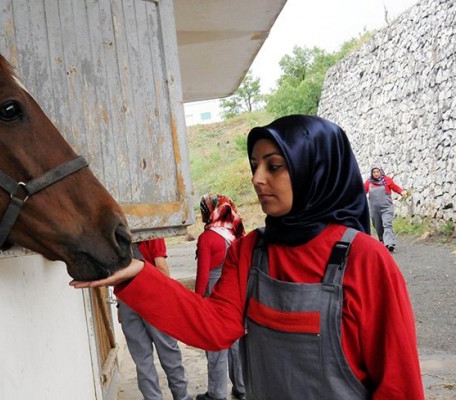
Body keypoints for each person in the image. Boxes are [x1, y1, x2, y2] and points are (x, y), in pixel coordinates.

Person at [73, 115, 424, 399]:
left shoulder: (365, 259)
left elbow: (399, 384)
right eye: (255, 165)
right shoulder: (250, 249)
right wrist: (136, 275)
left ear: (313, 170)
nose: (257, 179)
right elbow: (214, 327)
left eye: (274, 166)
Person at [118, 238, 192, 400]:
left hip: (127, 299)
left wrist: (120, 305)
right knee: (169, 353)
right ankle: (182, 397)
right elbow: (160, 267)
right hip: (153, 298)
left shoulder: (115, 234)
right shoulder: (152, 233)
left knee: (142, 360)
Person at [195, 194, 246, 400]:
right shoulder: (237, 233)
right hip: (235, 299)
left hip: (214, 301)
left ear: (209, 211)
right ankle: (242, 388)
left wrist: (197, 303)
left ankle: (217, 394)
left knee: (216, 347)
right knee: (235, 345)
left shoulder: (207, 238)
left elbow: (203, 276)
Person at [364, 165, 406, 252]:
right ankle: (382, 240)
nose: (376, 174)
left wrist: (402, 192)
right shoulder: (369, 182)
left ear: (381, 172)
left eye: (377, 172)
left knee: (387, 224)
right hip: (374, 209)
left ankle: (390, 243)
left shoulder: (387, 180)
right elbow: (363, 191)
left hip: (387, 207)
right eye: (374, 172)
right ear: (372, 173)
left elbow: (395, 187)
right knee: (378, 226)